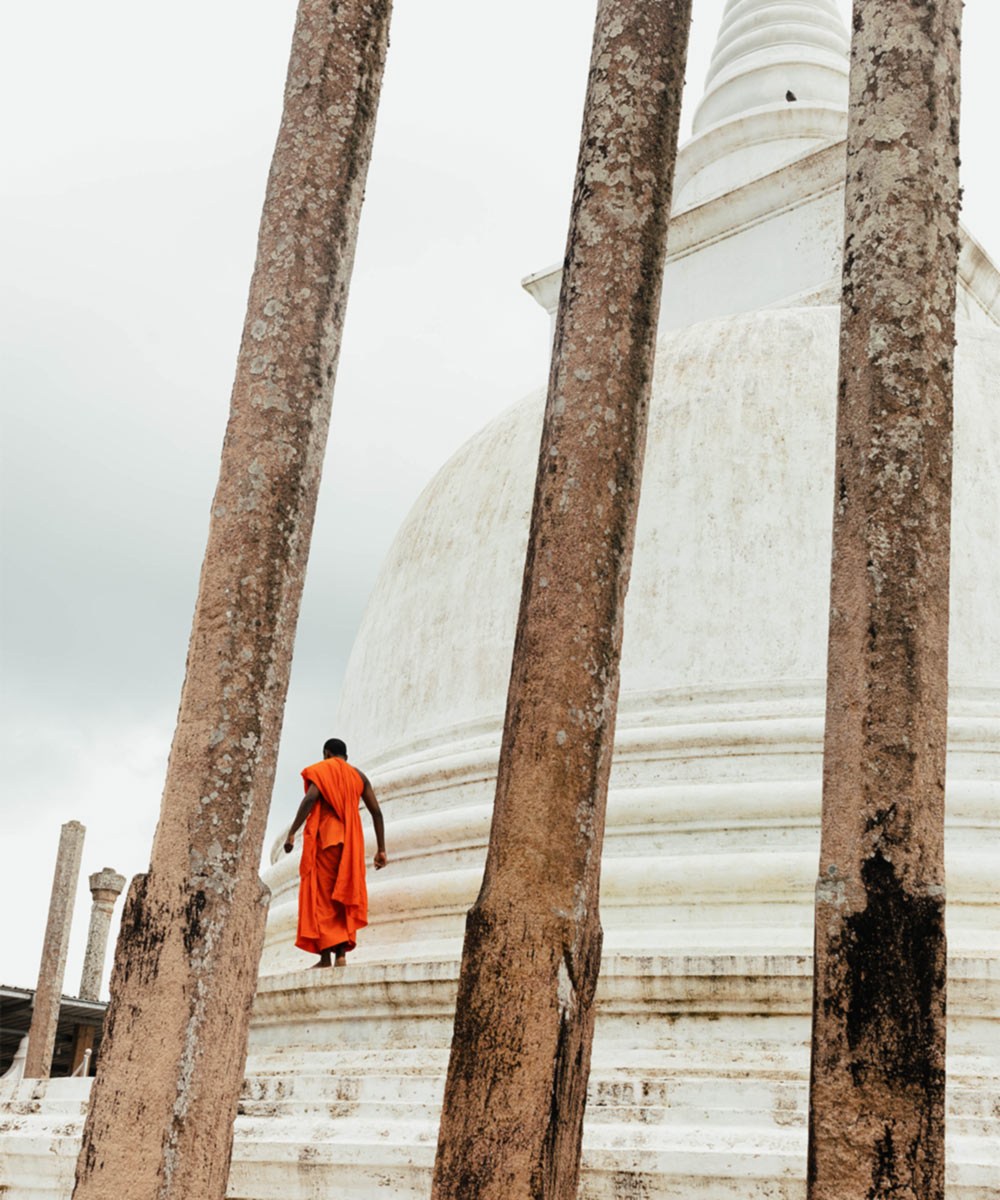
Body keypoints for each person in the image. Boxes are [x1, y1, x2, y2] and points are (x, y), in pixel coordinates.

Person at [284, 737, 387, 967]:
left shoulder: (322, 769)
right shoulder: (359, 776)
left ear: (326, 754)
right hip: (350, 843)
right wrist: (381, 849)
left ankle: (325, 957)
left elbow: (310, 798)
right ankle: (341, 954)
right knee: (344, 893)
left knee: (322, 896)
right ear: (346, 757)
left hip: (327, 840)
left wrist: (292, 831)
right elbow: (377, 813)